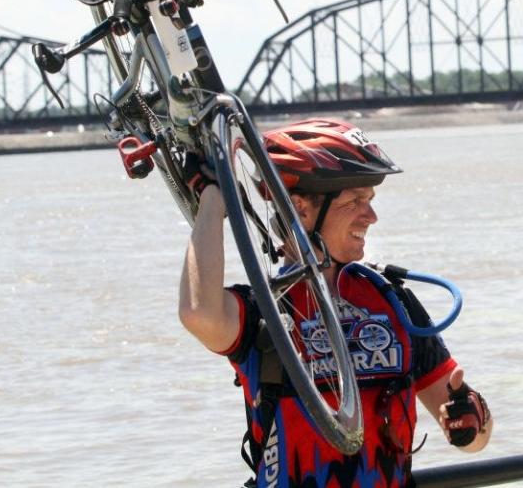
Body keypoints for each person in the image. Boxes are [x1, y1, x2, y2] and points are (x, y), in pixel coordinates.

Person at [179, 118, 493, 487]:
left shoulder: (393, 302)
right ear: (300, 209)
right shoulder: (265, 310)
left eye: (370, 200)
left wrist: (470, 420)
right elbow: (199, 313)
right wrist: (214, 198)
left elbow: (475, 442)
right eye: (356, 200)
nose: (372, 216)